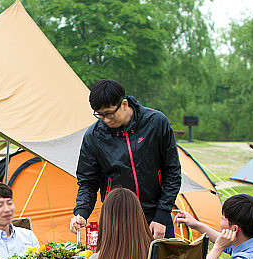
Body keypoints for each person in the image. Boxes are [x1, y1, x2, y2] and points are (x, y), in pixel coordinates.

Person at [69, 79, 182, 240]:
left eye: (109, 113)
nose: (106, 119)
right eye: (100, 115)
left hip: (155, 218)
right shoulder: (93, 136)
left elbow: (172, 172)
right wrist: (81, 212)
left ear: (124, 104)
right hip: (115, 221)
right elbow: (88, 182)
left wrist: (161, 216)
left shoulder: (156, 123)